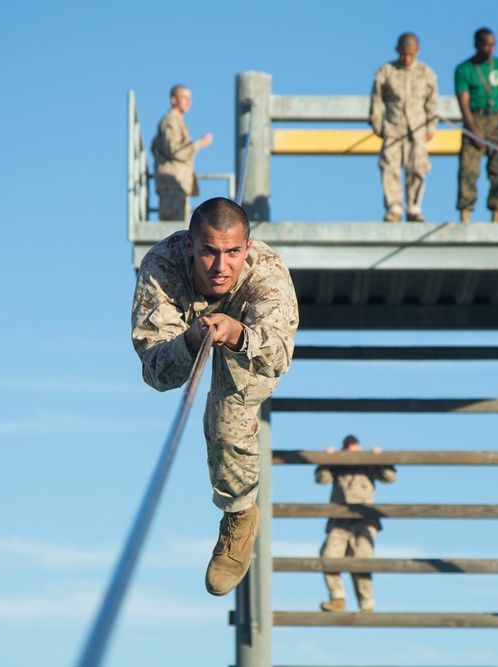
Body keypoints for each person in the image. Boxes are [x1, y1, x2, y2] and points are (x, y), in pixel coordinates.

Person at [131, 197, 299, 596]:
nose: (221, 267)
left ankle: (239, 514)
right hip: (189, 327)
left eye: (232, 253)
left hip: (249, 336)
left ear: (248, 246)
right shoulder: (162, 270)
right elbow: (157, 372)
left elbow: (278, 355)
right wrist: (190, 341)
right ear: (190, 246)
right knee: (178, 373)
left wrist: (238, 334)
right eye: (208, 251)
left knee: (227, 415)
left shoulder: (268, 273)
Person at [316, 435, 397, 613]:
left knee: (361, 559)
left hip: (365, 519)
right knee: (328, 556)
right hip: (339, 520)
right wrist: (327, 460)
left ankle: (366, 605)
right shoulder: (338, 464)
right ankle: (337, 599)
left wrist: (380, 459)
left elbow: (389, 477)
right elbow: (321, 479)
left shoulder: (368, 463)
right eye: (348, 447)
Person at [370, 32, 439, 223]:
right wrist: (377, 123)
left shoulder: (427, 73)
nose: (406, 58)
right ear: (397, 50)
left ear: (417, 52)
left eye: (410, 54)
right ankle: (394, 207)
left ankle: (414, 208)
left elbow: (432, 103)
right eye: (403, 54)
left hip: (417, 128)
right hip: (393, 127)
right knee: (390, 167)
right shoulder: (386, 71)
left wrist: (431, 126)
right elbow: (376, 99)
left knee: (417, 167)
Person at [455, 27, 498, 224]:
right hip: (474, 119)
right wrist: (473, 131)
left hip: (497, 120)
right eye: (485, 45)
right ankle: (466, 211)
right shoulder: (464, 69)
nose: (489, 49)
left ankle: (497, 211)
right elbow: (463, 103)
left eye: (492, 45)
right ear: (476, 45)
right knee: (468, 169)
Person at [151, 85, 214, 221]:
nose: (188, 101)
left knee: (180, 229)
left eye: (190, 98)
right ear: (174, 100)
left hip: (178, 185)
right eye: (184, 97)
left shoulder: (177, 121)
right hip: (172, 186)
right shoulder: (171, 121)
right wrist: (200, 143)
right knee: (173, 232)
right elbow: (175, 151)